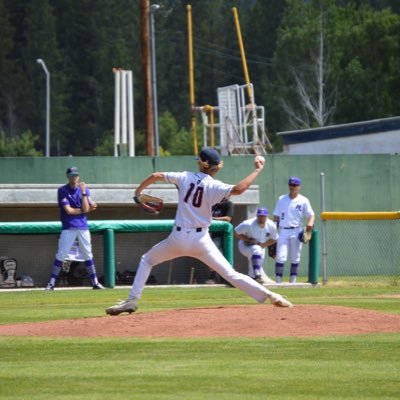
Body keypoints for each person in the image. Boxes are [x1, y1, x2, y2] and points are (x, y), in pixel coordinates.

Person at [106, 148, 293, 315]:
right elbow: (239, 189)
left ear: (200, 162)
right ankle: (270, 294)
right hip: (201, 240)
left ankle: (132, 301)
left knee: (147, 260)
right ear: (217, 167)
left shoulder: (184, 176)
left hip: (178, 238)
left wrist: (138, 192)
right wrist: (258, 169)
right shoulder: (214, 185)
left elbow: (155, 175)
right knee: (231, 274)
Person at [45, 166, 104, 290]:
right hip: (69, 227)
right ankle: (51, 284)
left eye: (76, 175)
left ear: (79, 176)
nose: (74, 177)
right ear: (68, 176)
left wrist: (83, 194)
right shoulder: (62, 190)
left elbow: (90, 206)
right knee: (61, 254)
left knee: (88, 254)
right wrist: (84, 209)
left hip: (83, 226)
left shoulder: (84, 189)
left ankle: (95, 283)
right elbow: (69, 210)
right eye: (72, 175)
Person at [273, 176, 315, 284]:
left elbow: (311, 214)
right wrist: (273, 233)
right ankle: (278, 282)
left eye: (295, 185)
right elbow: (276, 217)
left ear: (299, 187)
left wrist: (310, 223)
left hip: (297, 230)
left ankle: (293, 282)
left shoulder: (304, 200)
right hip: (283, 230)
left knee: (295, 258)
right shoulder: (281, 198)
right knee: (281, 257)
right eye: (291, 184)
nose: (292, 187)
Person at [234, 207, 278, 285]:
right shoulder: (248, 223)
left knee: (255, 266)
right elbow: (236, 232)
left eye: (263, 216)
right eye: (260, 216)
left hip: (261, 246)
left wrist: (263, 245)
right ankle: (258, 275)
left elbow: (274, 239)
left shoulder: (271, 225)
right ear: (257, 216)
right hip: (245, 246)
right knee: (256, 249)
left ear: (267, 216)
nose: (261, 218)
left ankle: (251, 280)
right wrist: (247, 239)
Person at [205, 198, 234, 284]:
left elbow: (228, 218)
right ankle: (213, 276)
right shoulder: (213, 204)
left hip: (224, 235)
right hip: (212, 235)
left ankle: (223, 277)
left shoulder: (228, 204)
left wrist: (213, 219)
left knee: (222, 257)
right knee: (211, 255)